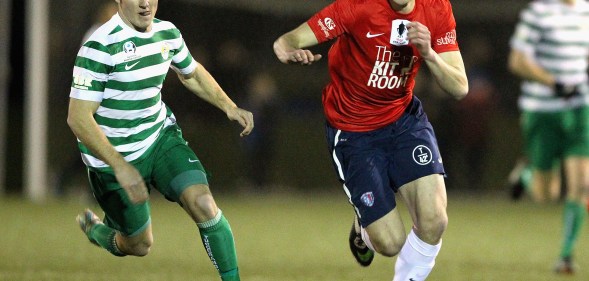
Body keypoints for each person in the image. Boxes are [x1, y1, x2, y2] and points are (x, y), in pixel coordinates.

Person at [273, 0, 468, 280]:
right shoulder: (357, 5)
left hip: (404, 121)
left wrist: (430, 54)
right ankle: (362, 227)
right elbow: (289, 39)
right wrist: (287, 48)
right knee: (390, 244)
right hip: (354, 131)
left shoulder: (436, 8)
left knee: (434, 221)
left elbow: (460, 87)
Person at [67, 1, 253, 280]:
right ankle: (97, 230)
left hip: (159, 139)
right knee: (139, 245)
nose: (145, 3)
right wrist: (120, 166)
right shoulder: (99, 45)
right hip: (113, 159)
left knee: (203, 204)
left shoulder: (167, 33)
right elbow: (78, 118)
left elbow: (191, 72)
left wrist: (228, 106)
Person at [507, 0, 589, 274]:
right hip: (542, 111)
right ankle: (528, 174)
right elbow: (517, 61)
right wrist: (554, 84)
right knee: (546, 194)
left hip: (579, 109)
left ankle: (565, 256)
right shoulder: (538, 12)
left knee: (581, 184)